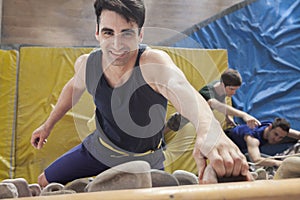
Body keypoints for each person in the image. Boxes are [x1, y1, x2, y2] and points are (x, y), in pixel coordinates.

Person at [30, 0, 251, 187]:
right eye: (108, 32)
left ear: (140, 35)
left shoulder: (152, 62)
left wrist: (210, 131)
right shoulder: (88, 64)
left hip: (145, 159)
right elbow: (72, 90)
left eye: (127, 33)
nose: (117, 44)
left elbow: (181, 88)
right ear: (97, 33)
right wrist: (47, 125)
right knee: (43, 182)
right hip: (100, 148)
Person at [165, 69, 261, 132]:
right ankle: (160, 135)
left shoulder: (222, 88)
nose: (233, 93)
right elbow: (214, 104)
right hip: (189, 111)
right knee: (174, 124)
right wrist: (244, 114)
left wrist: (228, 118)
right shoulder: (209, 92)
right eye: (232, 89)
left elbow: (222, 101)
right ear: (223, 85)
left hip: (201, 112)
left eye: (235, 90)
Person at [225, 117, 300, 167]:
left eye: (281, 137)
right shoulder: (253, 139)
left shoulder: (273, 126)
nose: (276, 139)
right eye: (275, 134)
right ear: (270, 127)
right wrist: (280, 163)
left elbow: (297, 134)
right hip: (228, 141)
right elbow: (256, 160)